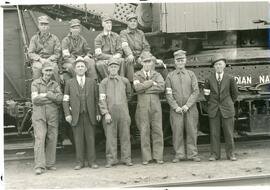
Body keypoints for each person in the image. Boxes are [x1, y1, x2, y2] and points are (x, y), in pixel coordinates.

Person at [63, 56, 101, 170]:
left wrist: (98, 112)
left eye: (82, 66)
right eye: (78, 66)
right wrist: (67, 114)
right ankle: (80, 162)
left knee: (91, 139)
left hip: (90, 114)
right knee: (78, 140)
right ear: (74, 69)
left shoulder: (92, 82)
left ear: (85, 69)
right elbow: (65, 100)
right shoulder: (69, 83)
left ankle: (92, 162)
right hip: (76, 115)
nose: (80, 68)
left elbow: (96, 99)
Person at [165, 50, 201, 162]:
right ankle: (179, 154)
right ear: (175, 62)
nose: (180, 62)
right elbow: (168, 93)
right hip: (176, 109)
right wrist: (176, 107)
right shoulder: (170, 76)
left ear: (185, 61)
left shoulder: (191, 74)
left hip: (190, 109)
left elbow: (196, 91)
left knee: (192, 131)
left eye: (182, 60)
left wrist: (187, 105)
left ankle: (193, 154)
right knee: (177, 132)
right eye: (178, 60)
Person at [204, 53, 238, 161]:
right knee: (214, 133)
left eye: (220, 64)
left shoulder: (230, 78)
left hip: (227, 109)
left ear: (224, 65)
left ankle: (231, 154)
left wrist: (228, 103)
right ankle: (214, 155)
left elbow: (234, 94)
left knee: (229, 133)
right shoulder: (208, 79)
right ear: (214, 67)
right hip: (214, 109)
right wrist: (213, 104)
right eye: (216, 65)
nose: (218, 66)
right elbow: (206, 95)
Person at [99, 58, 133, 168]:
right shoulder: (104, 82)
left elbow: (129, 95)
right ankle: (111, 159)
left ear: (118, 68)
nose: (113, 68)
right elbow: (101, 99)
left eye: (115, 66)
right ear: (108, 68)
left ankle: (126, 158)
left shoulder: (125, 81)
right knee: (110, 137)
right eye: (111, 67)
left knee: (125, 136)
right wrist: (106, 112)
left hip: (123, 112)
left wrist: (122, 106)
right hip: (110, 113)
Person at [31, 61, 63, 175]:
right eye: (46, 70)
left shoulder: (55, 84)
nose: (48, 73)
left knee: (52, 138)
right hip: (39, 115)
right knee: (40, 138)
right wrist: (50, 96)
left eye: (50, 70)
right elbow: (35, 100)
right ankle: (39, 166)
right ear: (42, 71)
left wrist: (46, 95)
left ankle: (50, 164)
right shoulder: (35, 83)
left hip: (52, 115)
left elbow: (60, 99)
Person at [133, 51, 165, 165]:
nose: (147, 64)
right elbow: (137, 88)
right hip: (143, 106)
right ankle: (146, 157)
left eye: (149, 62)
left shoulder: (157, 74)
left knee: (157, 130)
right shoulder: (137, 74)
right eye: (145, 62)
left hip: (155, 106)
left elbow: (161, 87)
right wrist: (151, 82)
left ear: (152, 62)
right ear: (142, 62)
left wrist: (145, 88)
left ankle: (158, 156)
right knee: (144, 130)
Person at [28, 15, 61, 83]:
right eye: (41, 24)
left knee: (54, 68)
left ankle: (57, 89)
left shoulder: (54, 38)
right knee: (37, 68)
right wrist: (40, 59)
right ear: (39, 26)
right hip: (39, 61)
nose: (44, 26)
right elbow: (30, 53)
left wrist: (49, 59)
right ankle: (36, 90)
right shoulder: (34, 39)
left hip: (51, 61)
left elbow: (57, 53)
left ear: (49, 26)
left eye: (45, 24)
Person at [120, 13, 150, 82]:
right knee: (129, 61)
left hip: (140, 56)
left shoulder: (141, 33)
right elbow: (125, 45)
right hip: (130, 56)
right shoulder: (123, 33)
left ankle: (149, 80)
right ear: (127, 23)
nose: (133, 23)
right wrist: (130, 54)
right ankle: (131, 83)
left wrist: (142, 57)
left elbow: (146, 47)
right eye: (130, 21)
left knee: (152, 59)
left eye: (134, 21)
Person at [94, 15, 125, 80]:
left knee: (122, 60)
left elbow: (120, 51)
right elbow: (98, 54)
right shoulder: (98, 38)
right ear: (103, 24)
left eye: (110, 23)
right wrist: (111, 57)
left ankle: (121, 80)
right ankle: (108, 80)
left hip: (115, 57)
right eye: (107, 23)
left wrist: (116, 56)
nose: (109, 25)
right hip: (104, 59)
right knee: (100, 64)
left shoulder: (116, 36)